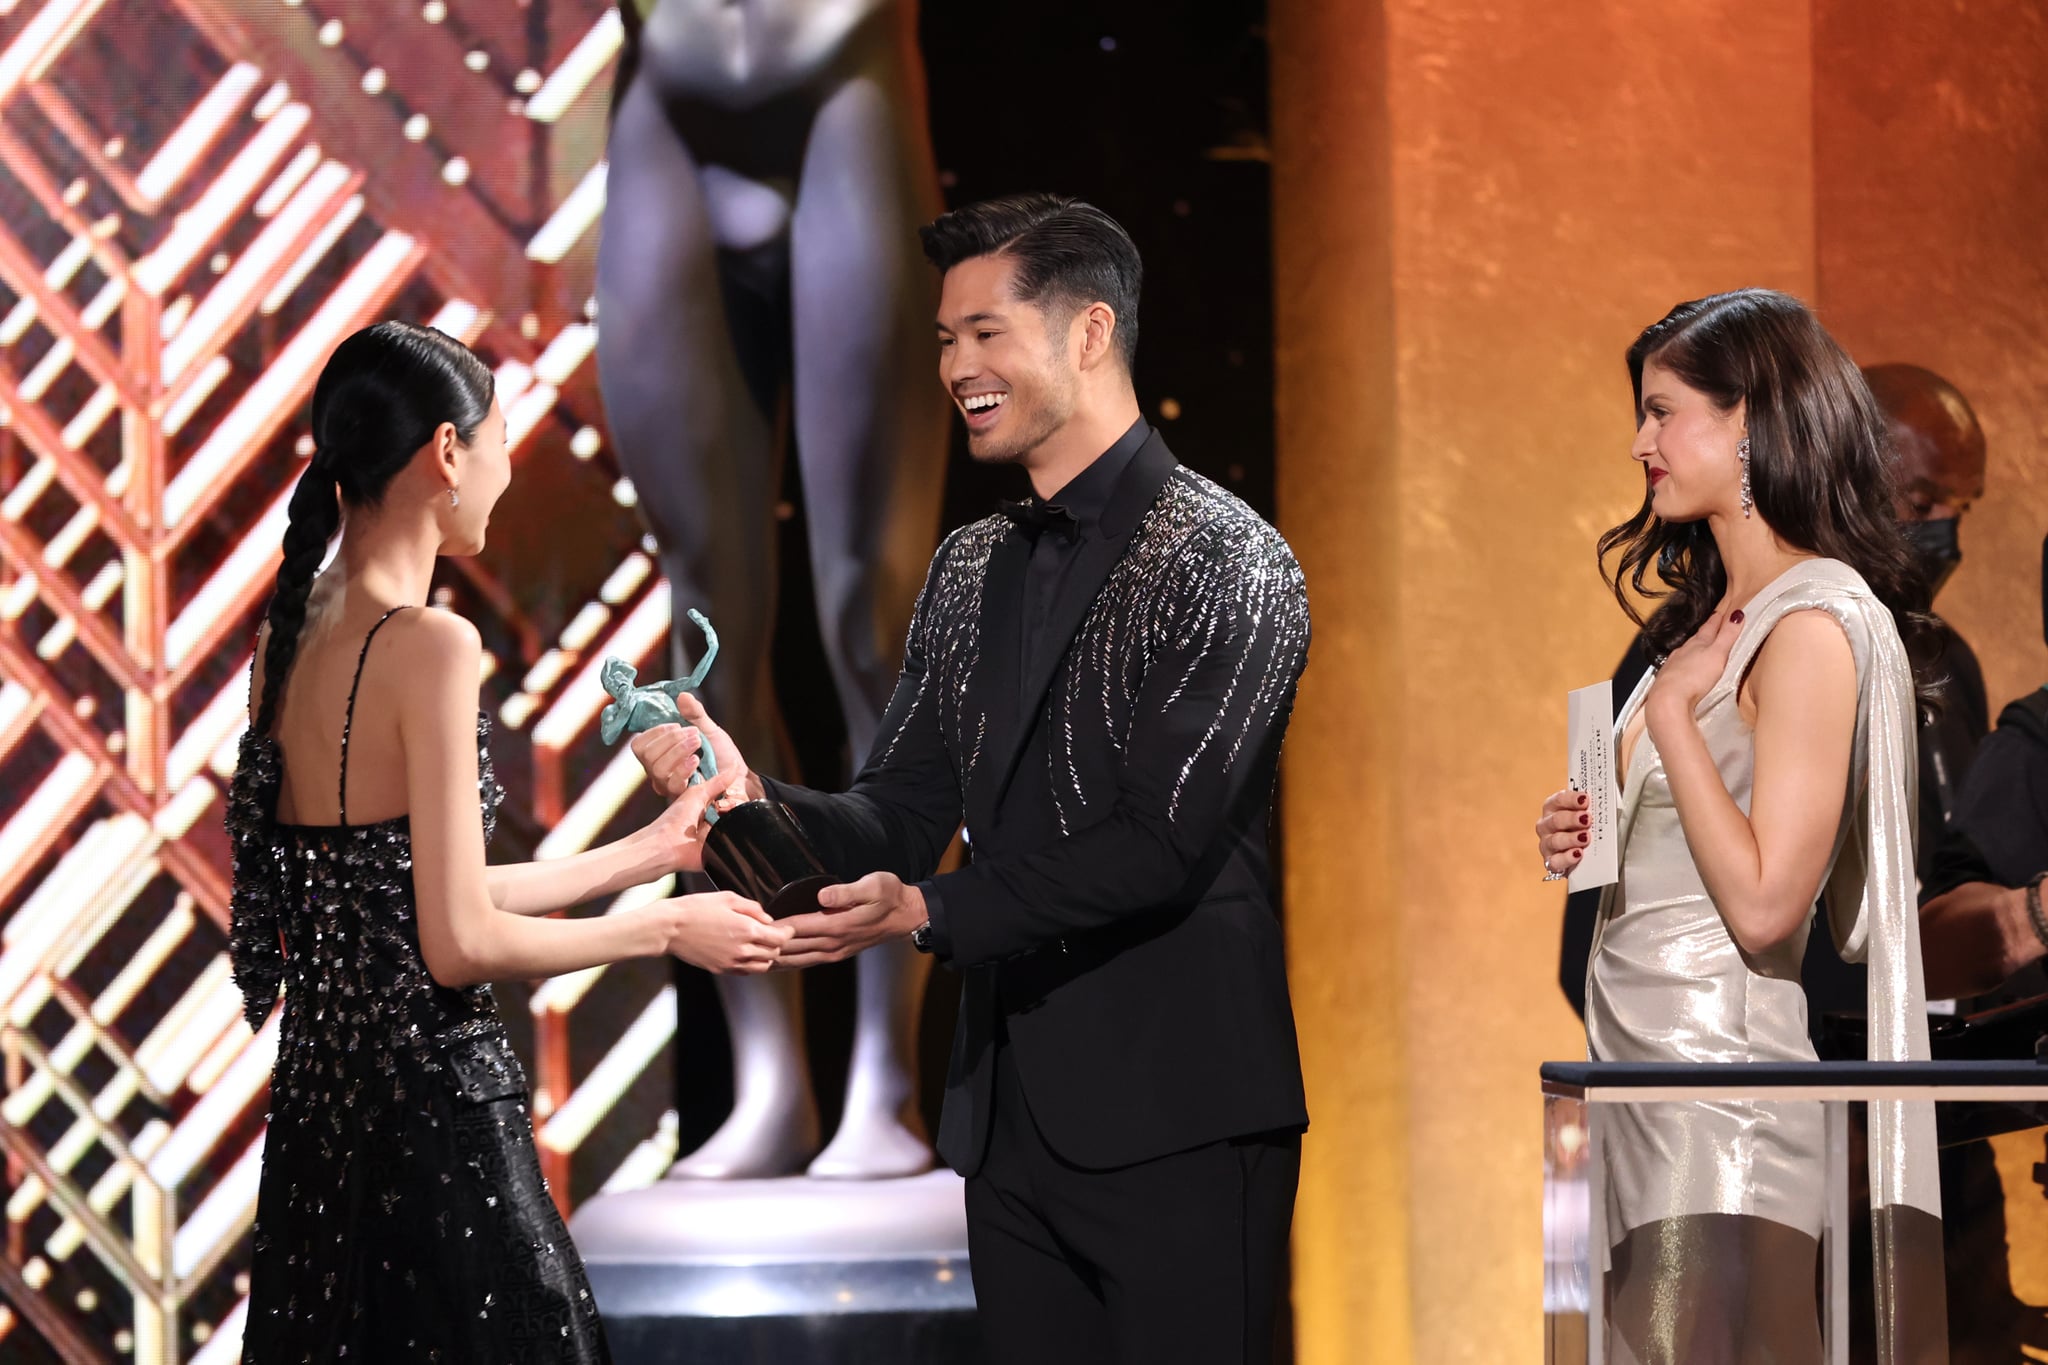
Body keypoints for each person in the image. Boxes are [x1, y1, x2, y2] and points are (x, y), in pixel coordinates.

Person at [633, 194, 1311, 1364]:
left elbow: (1157, 842)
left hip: (1181, 1118)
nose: (955, 367)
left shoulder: (1231, 558)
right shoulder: (969, 567)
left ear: (1089, 334)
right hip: (1005, 1131)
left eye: (984, 333)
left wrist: (929, 911)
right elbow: (895, 809)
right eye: (945, 340)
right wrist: (748, 796)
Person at [225, 322, 787, 1362]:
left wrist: (651, 852)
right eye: (500, 443)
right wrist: (662, 928)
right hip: (437, 1126)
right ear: (446, 452)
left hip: (319, 1130)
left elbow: (399, 891)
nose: (505, 471)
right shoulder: (431, 644)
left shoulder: (286, 638)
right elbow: (456, 945)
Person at [1532, 290, 1945, 1364]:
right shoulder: (1710, 616)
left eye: (1663, 413)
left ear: (1751, 423)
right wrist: (1585, 832)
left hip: (1719, 1102)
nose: (1639, 443)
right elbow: (1665, 861)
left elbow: (1766, 907)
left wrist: (1668, 718)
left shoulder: (1810, 626)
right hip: (1634, 1081)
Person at [596, 0, 951, 1180]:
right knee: (700, 635)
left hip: (838, 73)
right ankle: (768, 1081)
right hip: (666, 95)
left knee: (870, 618)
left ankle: (886, 1081)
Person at [1555, 362, 1994, 1022]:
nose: (1943, 533)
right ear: (1846, 469)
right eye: (1923, 501)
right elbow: (1591, 898)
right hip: (1753, 1062)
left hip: (1911, 1070)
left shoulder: (1950, 660)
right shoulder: (1683, 640)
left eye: (1961, 510)